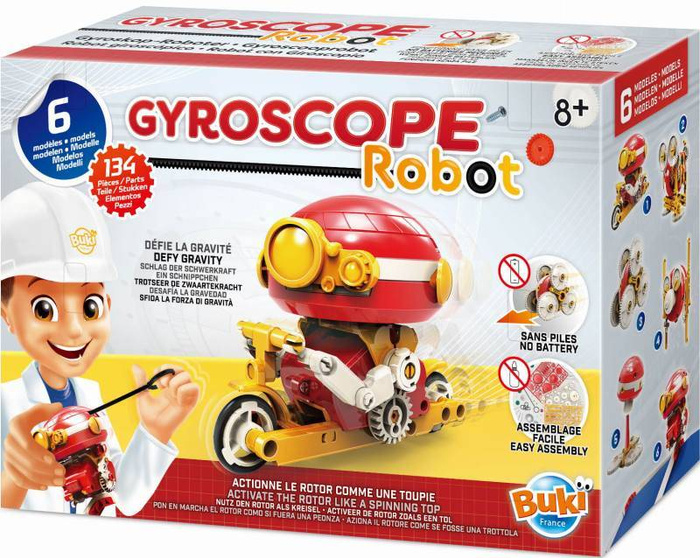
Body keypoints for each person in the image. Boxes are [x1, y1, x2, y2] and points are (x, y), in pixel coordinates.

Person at [1, 181, 200, 515]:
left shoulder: (90, 395)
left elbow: (123, 496)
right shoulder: (6, 402)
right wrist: (16, 478)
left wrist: (155, 431)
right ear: (6, 313)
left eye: (89, 307)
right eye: (44, 309)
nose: (75, 330)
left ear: (107, 304)